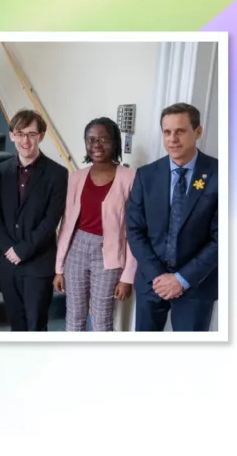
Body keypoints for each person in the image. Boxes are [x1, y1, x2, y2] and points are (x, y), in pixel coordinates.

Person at [126, 103, 218, 332]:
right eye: (167, 132)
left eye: (180, 131)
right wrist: (160, 277)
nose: (173, 139)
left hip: (196, 285)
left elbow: (222, 238)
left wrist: (181, 279)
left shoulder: (220, 174)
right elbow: (135, 230)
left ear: (198, 132)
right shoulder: (146, 175)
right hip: (152, 282)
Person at [54, 117, 138, 331]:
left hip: (109, 256)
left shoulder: (129, 178)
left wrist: (127, 276)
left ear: (114, 142)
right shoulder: (76, 177)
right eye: (90, 140)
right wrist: (59, 268)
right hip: (77, 250)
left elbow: (135, 231)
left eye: (103, 139)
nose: (96, 145)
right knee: (74, 316)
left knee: (102, 320)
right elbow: (66, 225)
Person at [0, 109, 68, 331]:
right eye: (20, 133)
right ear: (12, 135)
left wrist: (23, 250)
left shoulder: (57, 173)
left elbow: (52, 218)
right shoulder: (2, 170)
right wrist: (8, 248)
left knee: (35, 326)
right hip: (8, 263)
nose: (26, 140)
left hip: (38, 263)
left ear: (41, 136)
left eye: (32, 134)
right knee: (16, 325)